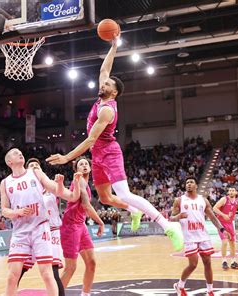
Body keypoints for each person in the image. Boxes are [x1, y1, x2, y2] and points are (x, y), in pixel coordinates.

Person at [46, 36, 183, 251]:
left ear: (114, 92)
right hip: (97, 155)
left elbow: (91, 139)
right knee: (105, 197)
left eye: (108, 84)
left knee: (124, 194)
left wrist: (66, 157)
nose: (104, 83)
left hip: (109, 152)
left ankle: (168, 225)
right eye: (105, 82)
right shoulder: (102, 96)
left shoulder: (107, 110)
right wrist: (114, 47)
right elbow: (104, 70)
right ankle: (134, 210)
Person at [0, 148, 82, 296]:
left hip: (40, 228)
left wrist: (61, 184)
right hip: (20, 232)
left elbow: (64, 194)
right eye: (15, 152)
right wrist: (16, 212)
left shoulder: (36, 173)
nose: (20, 153)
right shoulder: (5, 183)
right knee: (12, 276)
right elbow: (4, 210)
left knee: (47, 274)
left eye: (20, 151)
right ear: (9, 162)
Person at [170, 177, 230, 296]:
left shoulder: (204, 200)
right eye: (187, 182)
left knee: (207, 262)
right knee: (193, 264)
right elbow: (171, 218)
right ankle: (179, 285)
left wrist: (222, 229)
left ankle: (210, 291)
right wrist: (178, 217)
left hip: (203, 235)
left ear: (196, 186)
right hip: (189, 237)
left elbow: (213, 217)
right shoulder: (179, 200)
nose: (189, 184)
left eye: (191, 182)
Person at [19, 158, 65, 296]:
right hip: (33, 231)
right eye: (31, 166)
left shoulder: (50, 185)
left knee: (53, 271)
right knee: (18, 269)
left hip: (51, 231)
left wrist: (60, 184)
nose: (34, 167)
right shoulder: (23, 189)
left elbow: (62, 193)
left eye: (37, 165)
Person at [60, 157, 105, 296]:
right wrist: (101, 222)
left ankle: (85, 294)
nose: (84, 165)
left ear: (90, 168)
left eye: (86, 164)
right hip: (70, 226)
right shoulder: (79, 180)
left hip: (81, 225)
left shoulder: (86, 182)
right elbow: (85, 205)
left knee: (91, 263)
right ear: (76, 169)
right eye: (81, 164)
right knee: (70, 268)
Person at [212, 187, 238, 270]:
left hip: (230, 224)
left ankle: (233, 262)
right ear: (228, 192)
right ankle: (224, 261)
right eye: (230, 190)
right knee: (225, 242)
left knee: (232, 243)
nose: (231, 192)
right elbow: (214, 208)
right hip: (221, 224)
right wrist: (223, 215)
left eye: (233, 190)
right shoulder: (224, 199)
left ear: (236, 192)